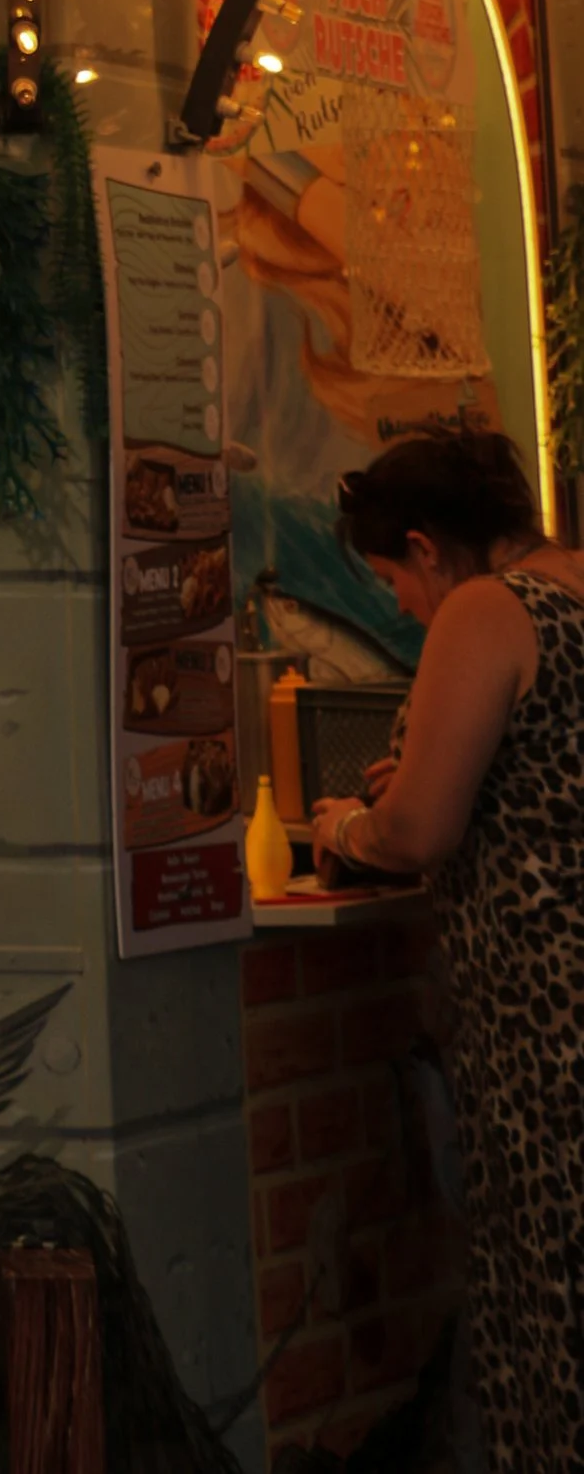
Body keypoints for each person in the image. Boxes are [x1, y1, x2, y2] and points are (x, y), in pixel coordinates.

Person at [306, 430, 584, 1474]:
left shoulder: (487, 607)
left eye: (389, 579)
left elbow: (419, 831)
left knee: (548, 1303)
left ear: (426, 547)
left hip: (543, 1018)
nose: (396, 607)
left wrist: (342, 828)